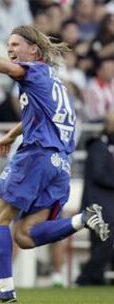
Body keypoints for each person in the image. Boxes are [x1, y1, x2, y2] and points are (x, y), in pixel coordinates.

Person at [0, 25, 110, 303]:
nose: (11, 50)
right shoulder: (57, 84)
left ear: (34, 49)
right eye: (9, 45)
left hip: (37, 157)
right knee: (25, 236)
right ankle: (83, 219)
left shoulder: (34, 70)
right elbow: (43, 115)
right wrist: (12, 133)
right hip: (60, 165)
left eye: (16, 44)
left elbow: (9, 69)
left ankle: (6, 293)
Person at [76, 113, 114, 286]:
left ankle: (95, 278)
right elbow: (99, 175)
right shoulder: (98, 146)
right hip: (98, 208)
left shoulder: (104, 147)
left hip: (105, 207)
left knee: (101, 246)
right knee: (103, 245)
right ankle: (85, 278)